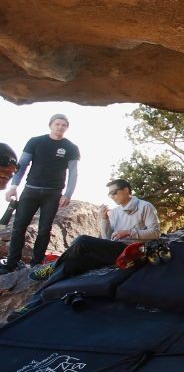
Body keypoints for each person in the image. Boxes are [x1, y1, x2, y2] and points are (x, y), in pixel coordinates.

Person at [8, 179, 161, 320]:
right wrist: (104, 219)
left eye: (114, 192)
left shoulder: (144, 206)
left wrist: (130, 232)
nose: (111, 196)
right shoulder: (115, 212)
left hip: (131, 251)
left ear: (126, 190)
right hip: (112, 251)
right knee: (67, 266)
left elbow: (155, 232)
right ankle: (31, 305)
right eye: (109, 194)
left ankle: (53, 265)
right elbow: (106, 236)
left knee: (83, 241)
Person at [1, 115, 80, 273]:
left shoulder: (71, 147)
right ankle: (11, 263)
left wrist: (68, 194)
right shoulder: (35, 141)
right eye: (57, 124)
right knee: (19, 226)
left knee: (45, 229)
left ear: (67, 127)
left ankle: (36, 264)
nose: (60, 127)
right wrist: (14, 186)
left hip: (53, 192)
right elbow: (22, 165)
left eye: (64, 125)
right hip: (31, 189)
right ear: (51, 125)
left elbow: (73, 173)